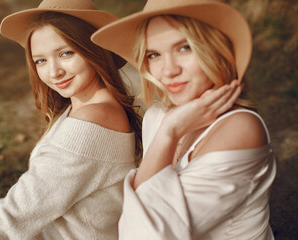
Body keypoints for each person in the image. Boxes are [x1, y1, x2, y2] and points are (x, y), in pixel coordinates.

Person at [0, 0, 143, 239]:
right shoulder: (87, 107)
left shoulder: (93, 120)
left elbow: (21, 212)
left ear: (94, 51)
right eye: (41, 60)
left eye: (66, 53)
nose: (54, 72)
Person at [91, 0, 276, 239]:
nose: (168, 71)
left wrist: (170, 132)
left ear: (217, 49)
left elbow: (145, 233)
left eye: (184, 48)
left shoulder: (241, 130)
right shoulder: (158, 116)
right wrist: (170, 128)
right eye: (154, 54)